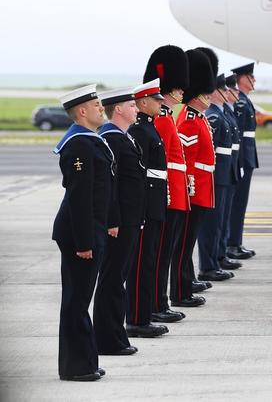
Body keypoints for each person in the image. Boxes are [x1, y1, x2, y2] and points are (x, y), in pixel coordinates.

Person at [52, 84, 112, 381]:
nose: (102, 108)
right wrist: (85, 242)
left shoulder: (89, 141)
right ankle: (76, 367)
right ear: (82, 111)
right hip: (80, 234)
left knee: (80, 300)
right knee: (76, 301)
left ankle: (86, 361)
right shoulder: (78, 145)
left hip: (91, 229)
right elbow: (79, 197)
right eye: (97, 105)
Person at [142, 45, 194, 322]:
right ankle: (155, 303)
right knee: (159, 255)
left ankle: (160, 302)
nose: (182, 92)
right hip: (167, 195)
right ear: (169, 89)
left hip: (175, 193)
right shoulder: (160, 119)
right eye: (178, 88)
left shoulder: (167, 117)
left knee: (164, 253)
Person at [93, 87, 144, 356]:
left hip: (130, 219)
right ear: (119, 110)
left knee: (118, 279)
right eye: (132, 105)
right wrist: (113, 220)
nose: (137, 109)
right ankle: (107, 339)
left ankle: (116, 335)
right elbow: (109, 184)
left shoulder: (124, 137)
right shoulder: (111, 138)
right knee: (111, 279)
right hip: (119, 223)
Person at [125, 79, 169, 338]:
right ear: (142, 103)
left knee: (149, 261)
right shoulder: (141, 131)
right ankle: (137, 320)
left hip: (155, 203)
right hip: (146, 205)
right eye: (156, 100)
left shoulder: (150, 128)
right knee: (141, 263)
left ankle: (145, 314)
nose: (160, 103)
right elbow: (138, 175)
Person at [173, 49, 217, 308]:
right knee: (183, 246)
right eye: (206, 91)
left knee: (188, 244)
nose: (209, 95)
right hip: (194, 190)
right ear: (196, 94)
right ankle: (180, 291)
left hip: (201, 188)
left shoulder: (198, 117)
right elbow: (187, 160)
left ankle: (185, 286)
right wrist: (188, 190)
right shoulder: (189, 119)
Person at [197, 73, 237, 282]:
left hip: (225, 172)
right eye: (224, 89)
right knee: (212, 223)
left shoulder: (219, 113)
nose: (228, 93)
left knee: (219, 222)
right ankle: (208, 265)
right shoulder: (213, 115)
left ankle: (214, 260)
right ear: (216, 92)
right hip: (217, 173)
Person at [228, 61, 259, 259]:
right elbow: (236, 135)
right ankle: (232, 243)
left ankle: (236, 242)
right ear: (243, 79)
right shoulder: (240, 101)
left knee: (241, 202)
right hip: (242, 156)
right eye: (251, 77)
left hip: (247, 155)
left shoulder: (244, 100)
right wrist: (238, 162)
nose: (254, 80)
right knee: (237, 202)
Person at [221, 70, 246, 263]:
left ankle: (221, 254)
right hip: (222, 171)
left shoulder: (227, 112)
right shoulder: (218, 115)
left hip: (230, 166)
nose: (236, 94)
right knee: (217, 219)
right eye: (232, 90)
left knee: (225, 214)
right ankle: (218, 256)